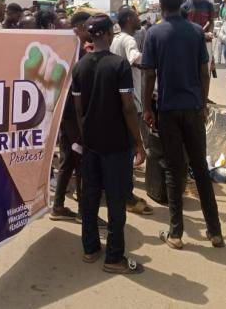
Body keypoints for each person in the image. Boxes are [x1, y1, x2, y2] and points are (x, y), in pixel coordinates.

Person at [141, 0, 223, 250]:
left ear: (161, 7)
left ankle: (176, 233)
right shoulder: (197, 32)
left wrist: (146, 107)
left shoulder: (154, 33)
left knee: (175, 171)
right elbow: (204, 72)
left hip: (167, 109)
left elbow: (149, 75)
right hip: (192, 108)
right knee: (199, 168)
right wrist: (202, 103)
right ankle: (215, 233)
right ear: (182, 5)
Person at [72, 14, 146, 274]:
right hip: (116, 146)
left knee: (90, 198)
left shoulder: (80, 67)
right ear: (106, 34)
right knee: (116, 201)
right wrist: (139, 142)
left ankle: (90, 248)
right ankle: (114, 258)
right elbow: (128, 109)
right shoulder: (119, 66)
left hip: (91, 145)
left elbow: (79, 110)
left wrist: (86, 136)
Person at [110, 7, 154, 216]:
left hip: (117, 101)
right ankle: (128, 198)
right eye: (136, 16)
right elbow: (138, 58)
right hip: (131, 102)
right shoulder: (128, 40)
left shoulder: (115, 39)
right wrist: (158, 56)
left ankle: (121, 192)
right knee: (130, 149)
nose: (139, 19)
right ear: (128, 19)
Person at [50, 11, 91, 221]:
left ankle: (58, 206)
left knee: (68, 160)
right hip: (73, 117)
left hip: (64, 117)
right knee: (82, 160)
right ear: (82, 27)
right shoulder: (79, 54)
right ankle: (84, 213)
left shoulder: (71, 51)